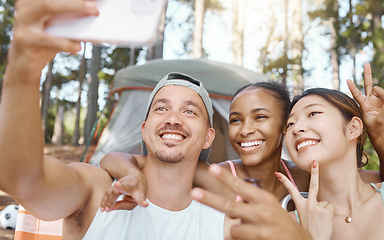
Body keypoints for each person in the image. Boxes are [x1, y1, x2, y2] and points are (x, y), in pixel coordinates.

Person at [0, 0, 227, 238]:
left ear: (208, 137)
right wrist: (24, 70)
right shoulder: (95, 191)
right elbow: (21, 179)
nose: (173, 118)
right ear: (144, 128)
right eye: (161, 108)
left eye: (189, 111)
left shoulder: (224, 221)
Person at [99, 75, 383, 211]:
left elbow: (376, 180)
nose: (246, 130)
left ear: (285, 126)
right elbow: (114, 158)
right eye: (235, 120)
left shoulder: (305, 178)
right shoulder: (218, 176)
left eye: (260, 117)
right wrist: (132, 174)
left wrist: (378, 134)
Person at [277, 87, 384, 239]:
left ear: (353, 128)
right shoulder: (283, 229)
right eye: (290, 124)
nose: (297, 129)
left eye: (313, 113)